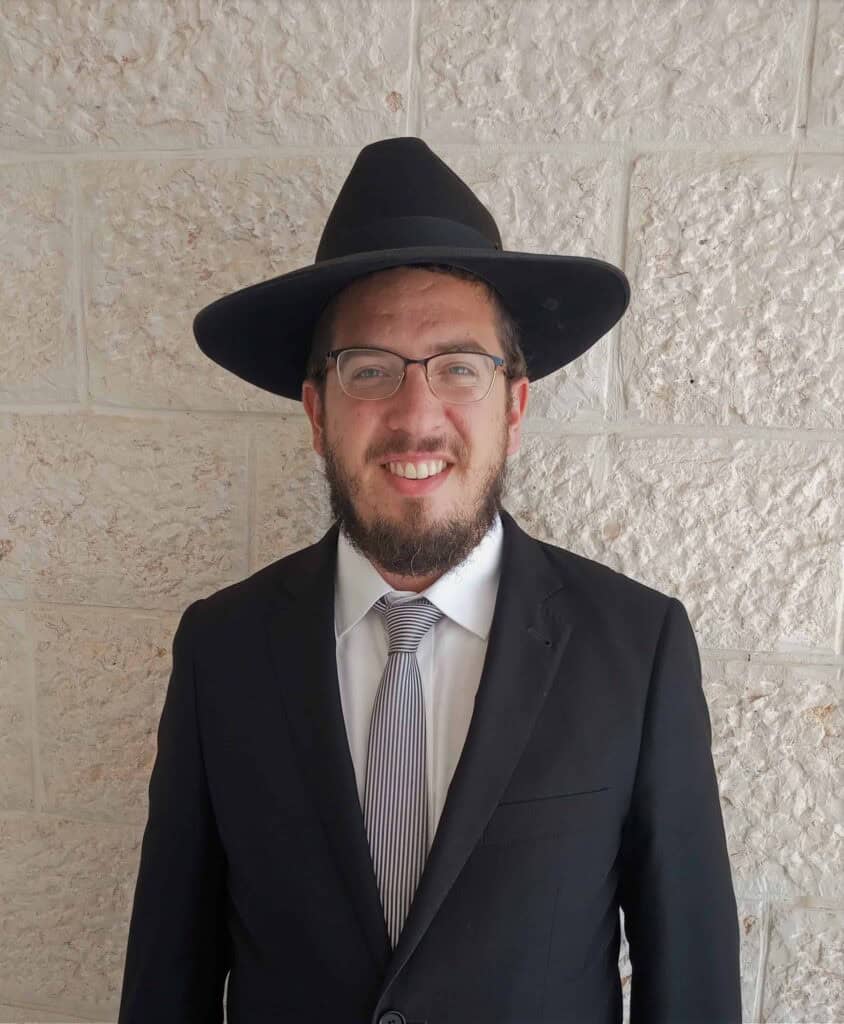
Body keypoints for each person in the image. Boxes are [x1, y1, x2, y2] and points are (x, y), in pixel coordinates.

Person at [118, 137, 741, 1023]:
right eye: (370, 370)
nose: (417, 417)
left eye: (459, 368)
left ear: (513, 405)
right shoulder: (222, 648)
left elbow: (693, 986)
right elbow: (166, 977)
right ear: (317, 411)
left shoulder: (636, 649)